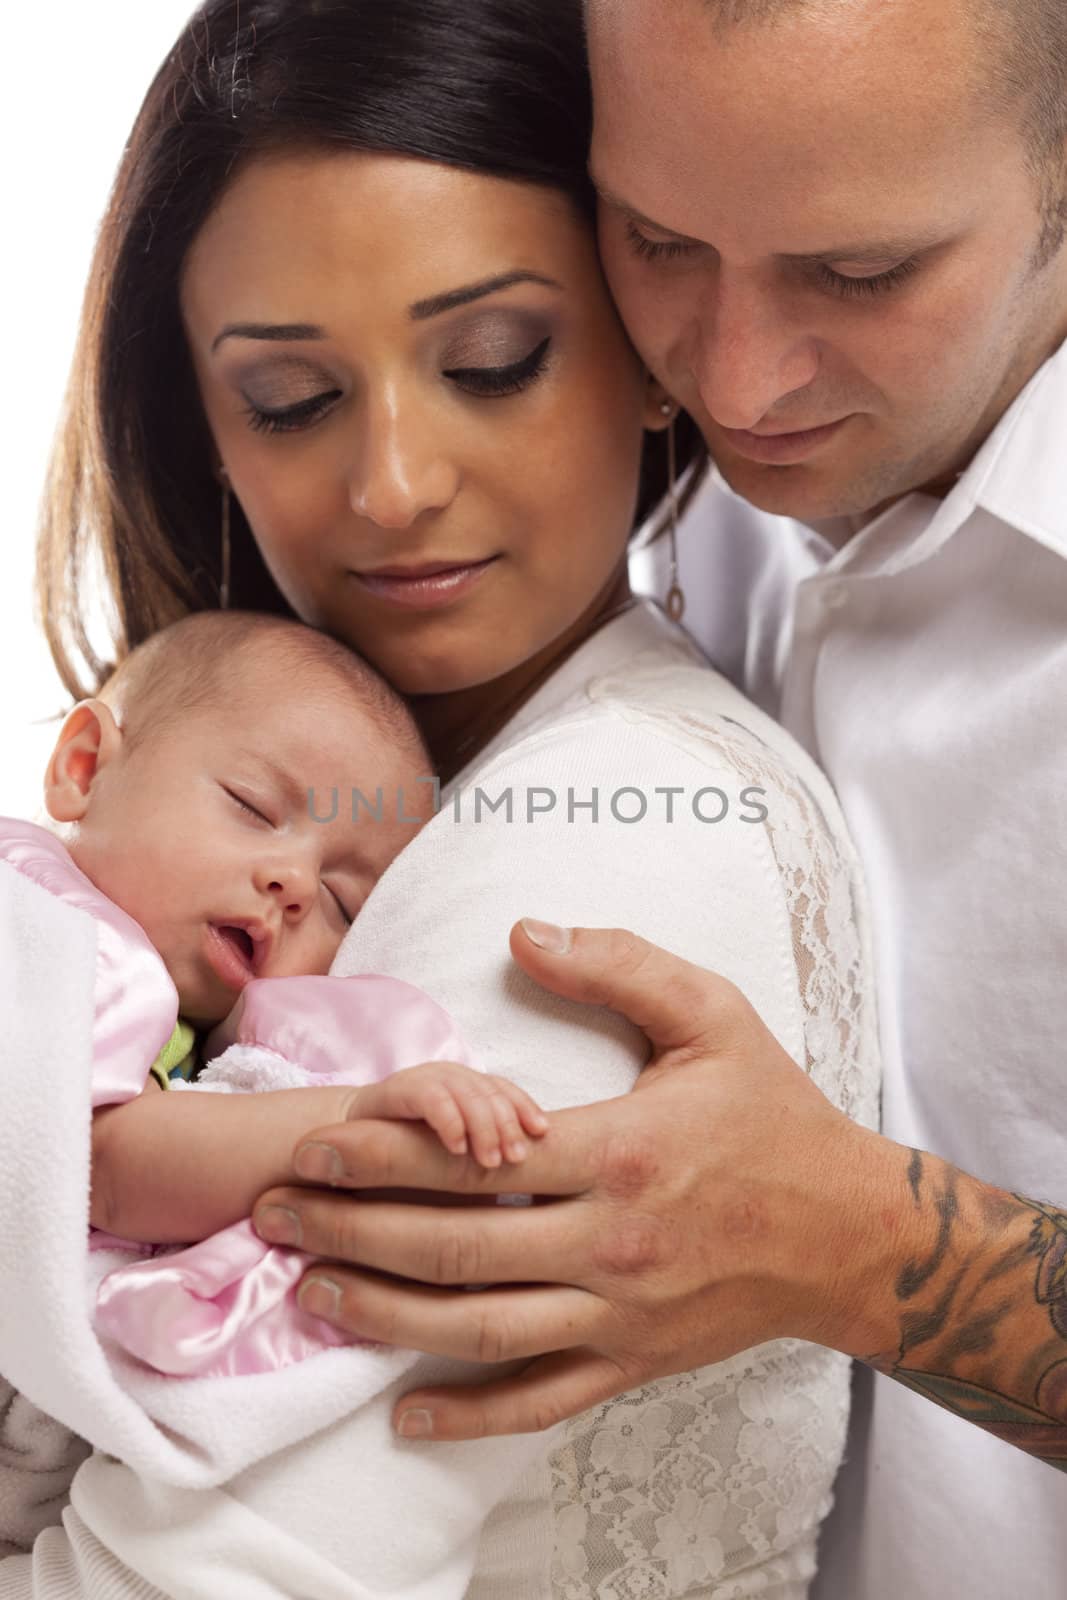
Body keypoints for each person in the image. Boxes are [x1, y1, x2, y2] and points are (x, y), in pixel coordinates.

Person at [1, 1, 880, 1595]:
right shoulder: (245, 807)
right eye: (287, 399)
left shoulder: (598, 836)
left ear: (651, 343)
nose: (393, 483)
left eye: (491, 360)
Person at [252, 2, 1067, 1599]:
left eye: (859, 274)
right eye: (656, 239)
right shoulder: (629, 475)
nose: (734, 375)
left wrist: (868, 1255)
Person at [0, 607, 544, 1554]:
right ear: (84, 767)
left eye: (340, 899)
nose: (292, 879)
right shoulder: (72, 946)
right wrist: (354, 1115)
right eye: (253, 808)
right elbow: (109, 1169)